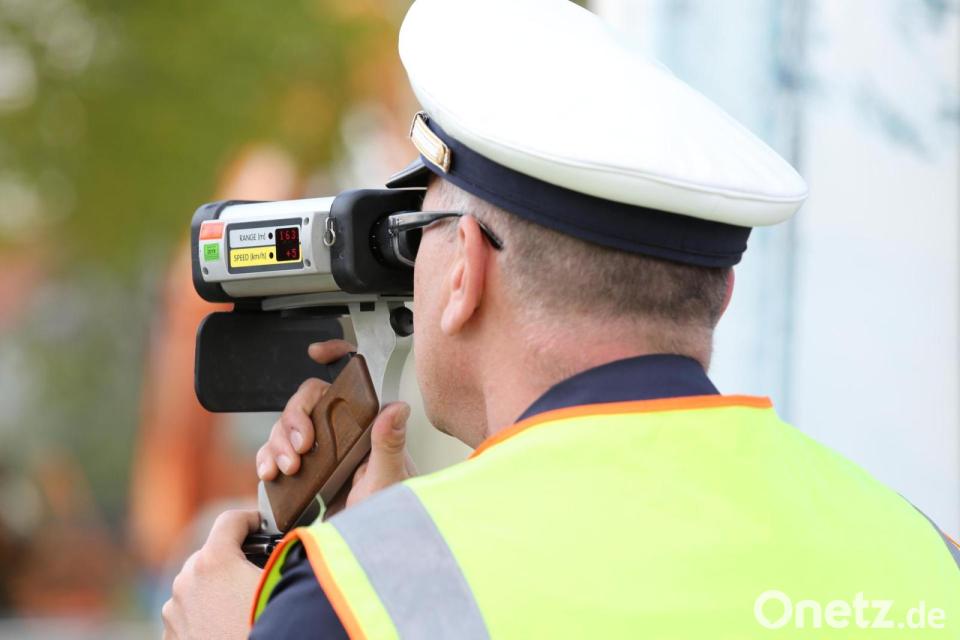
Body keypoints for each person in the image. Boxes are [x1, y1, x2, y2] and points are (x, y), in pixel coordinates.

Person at [161, 0, 960, 638]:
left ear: (465, 269)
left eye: (418, 233)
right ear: (720, 294)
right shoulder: (925, 557)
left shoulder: (361, 599)